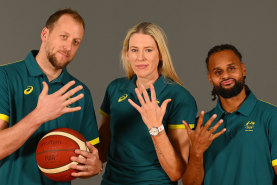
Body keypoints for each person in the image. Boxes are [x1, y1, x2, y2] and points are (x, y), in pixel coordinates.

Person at [0, 8, 102, 185]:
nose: (68, 47)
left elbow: (90, 158)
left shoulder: (80, 92)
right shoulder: (6, 77)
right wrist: (39, 116)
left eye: (76, 42)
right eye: (64, 36)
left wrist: (95, 167)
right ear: (45, 34)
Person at [98, 22, 197, 184]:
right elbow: (101, 152)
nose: (140, 57)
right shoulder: (115, 89)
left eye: (148, 50)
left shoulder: (179, 97)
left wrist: (156, 128)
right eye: (134, 50)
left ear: (160, 54)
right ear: (127, 54)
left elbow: (176, 172)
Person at [182, 44, 277, 185]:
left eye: (231, 68)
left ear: (243, 69)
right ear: (210, 78)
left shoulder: (271, 116)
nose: (225, 75)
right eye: (218, 72)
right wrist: (196, 153)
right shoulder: (201, 126)